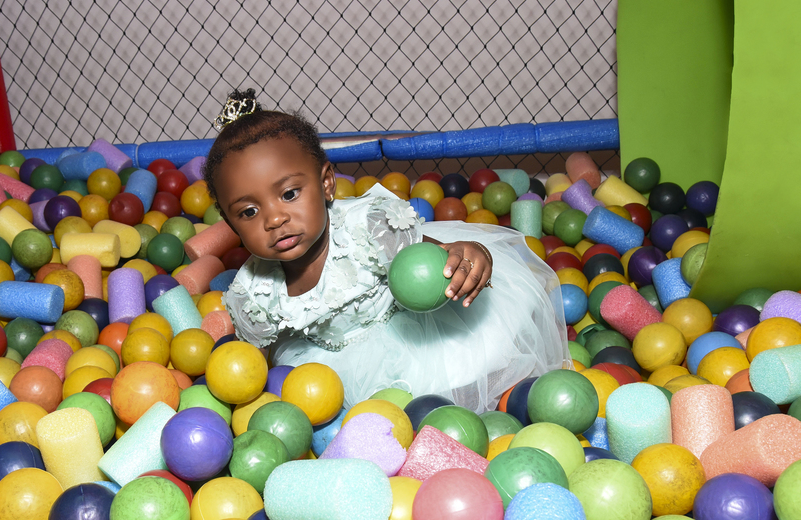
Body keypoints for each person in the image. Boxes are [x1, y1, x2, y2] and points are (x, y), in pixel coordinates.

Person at [210, 90, 569, 412]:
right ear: (230, 223)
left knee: (472, 377)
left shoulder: (369, 227)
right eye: (249, 212)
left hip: (412, 330)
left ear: (326, 183)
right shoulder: (253, 293)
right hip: (329, 367)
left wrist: (471, 256)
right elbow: (251, 369)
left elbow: (439, 259)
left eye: (289, 194)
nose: (274, 219)